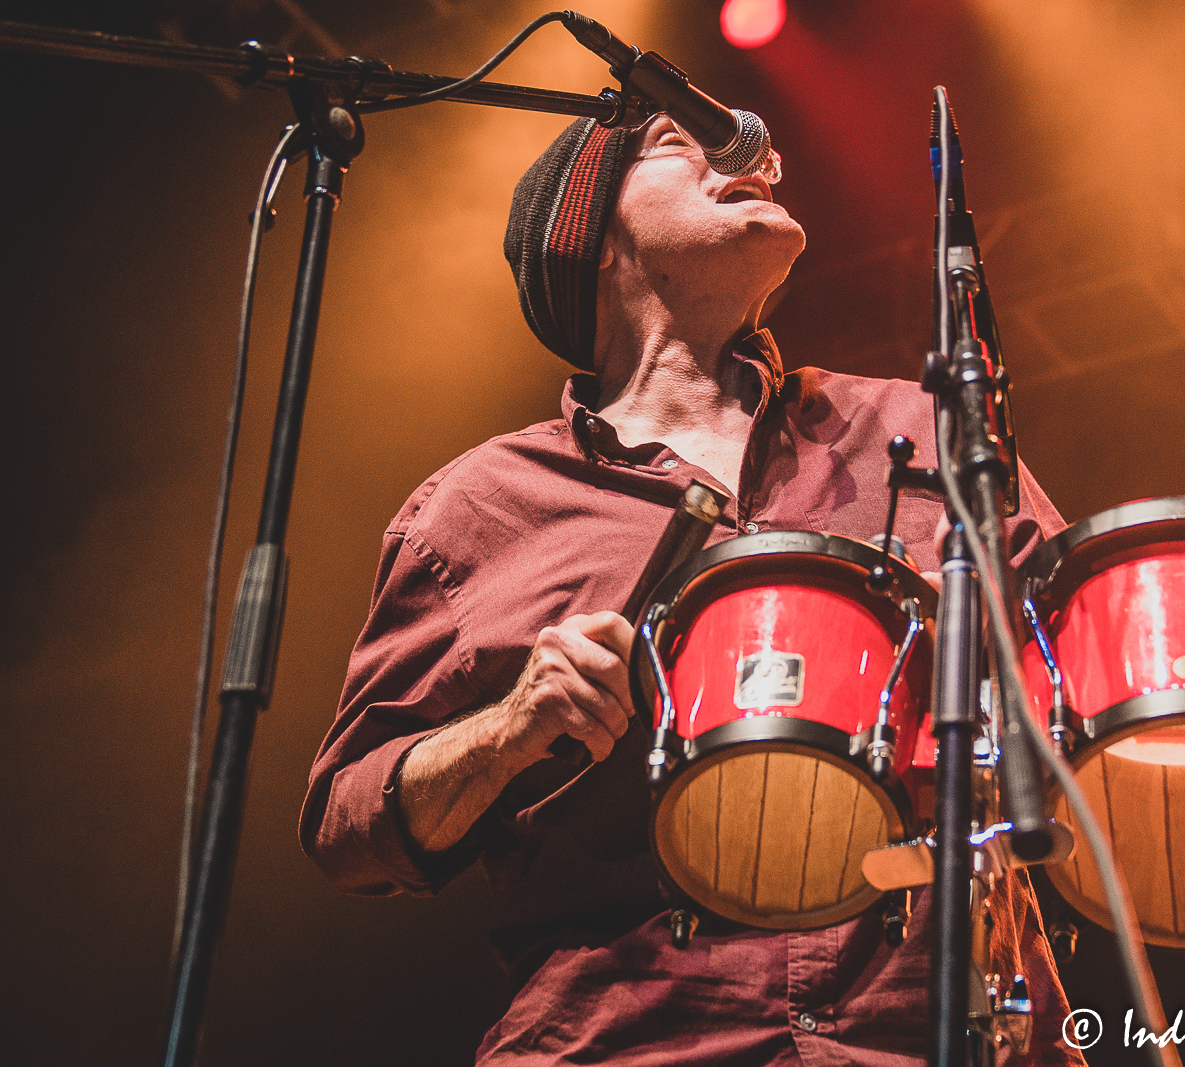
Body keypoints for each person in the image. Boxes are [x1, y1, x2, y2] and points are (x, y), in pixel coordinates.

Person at [302, 112, 1086, 1065]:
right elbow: (349, 822)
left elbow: (1078, 663)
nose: (747, 158)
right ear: (587, 237)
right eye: (682, 144)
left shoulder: (919, 424)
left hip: (940, 1025)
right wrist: (510, 728)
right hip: (628, 1038)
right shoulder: (478, 509)